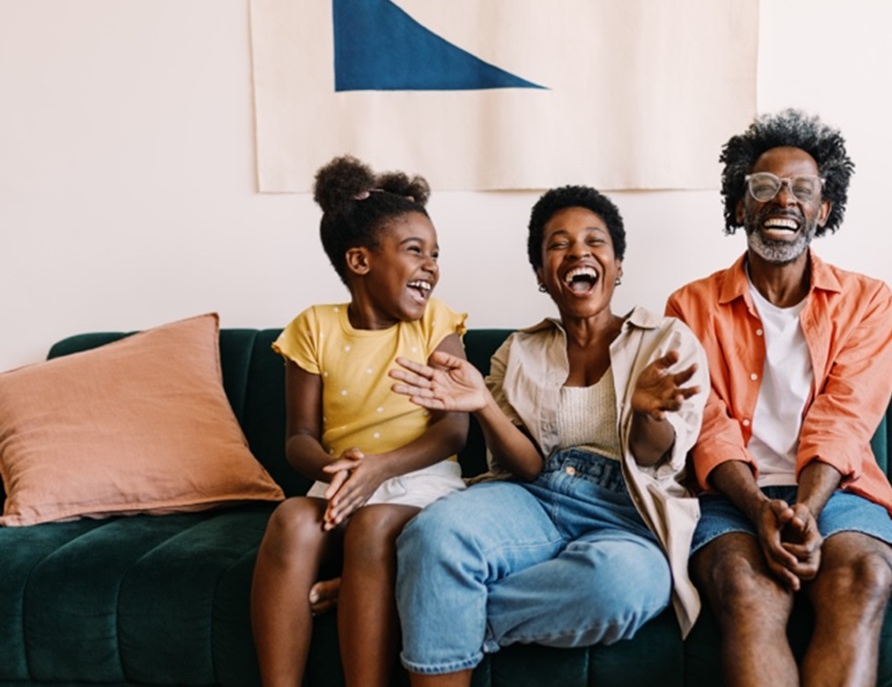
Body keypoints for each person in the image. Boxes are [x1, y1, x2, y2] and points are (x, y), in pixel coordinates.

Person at [389, 185, 708, 686]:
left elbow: (653, 459)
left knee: (623, 585)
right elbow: (528, 467)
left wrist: (646, 413)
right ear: (542, 273)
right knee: (436, 534)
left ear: (618, 264)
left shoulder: (668, 341)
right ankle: (432, 594)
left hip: (628, 514)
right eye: (558, 244)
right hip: (536, 496)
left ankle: (433, 604)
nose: (578, 251)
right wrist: (485, 406)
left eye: (594, 241)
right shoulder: (517, 351)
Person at [665, 109, 892, 687]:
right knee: (743, 586)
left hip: (838, 491)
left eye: (802, 190)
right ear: (740, 206)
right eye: (764, 187)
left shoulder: (868, 301)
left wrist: (805, 509)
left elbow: (845, 418)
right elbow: (704, 425)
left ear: (823, 211)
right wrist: (760, 508)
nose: (783, 200)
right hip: (731, 496)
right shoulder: (690, 306)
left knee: (862, 578)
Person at [250, 156, 470, 687]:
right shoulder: (313, 328)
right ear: (360, 260)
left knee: (371, 527)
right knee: (290, 520)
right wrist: (336, 468)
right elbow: (298, 436)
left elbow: (453, 431)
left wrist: (381, 469)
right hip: (341, 480)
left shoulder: (437, 323)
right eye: (414, 250)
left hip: (419, 482)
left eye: (435, 254)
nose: (431, 266)